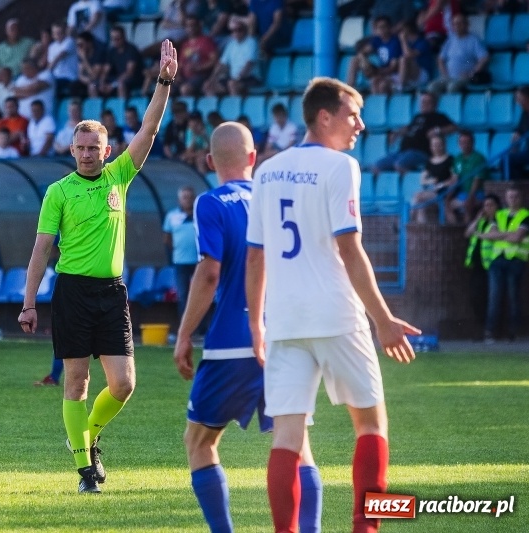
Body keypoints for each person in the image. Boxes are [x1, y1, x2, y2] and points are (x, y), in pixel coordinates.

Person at [245, 77, 419, 533]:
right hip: (337, 315)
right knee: (371, 425)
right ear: (325, 116)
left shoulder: (265, 171)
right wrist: (383, 321)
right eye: (352, 113)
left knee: (287, 436)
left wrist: (257, 325)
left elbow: (255, 255)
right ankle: (365, 528)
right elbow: (350, 248)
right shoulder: (341, 166)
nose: (360, 123)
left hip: (284, 320)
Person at [18, 39, 178, 494]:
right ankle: (86, 469)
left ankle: (88, 437)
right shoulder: (58, 192)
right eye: (81, 147)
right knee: (75, 380)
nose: (88, 154)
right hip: (71, 292)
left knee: (124, 384)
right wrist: (29, 303)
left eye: (95, 147)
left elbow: (147, 130)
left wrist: (163, 83)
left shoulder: (118, 178)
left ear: (107, 152)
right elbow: (41, 251)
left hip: (111, 292)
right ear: (72, 150)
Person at [173, 122, 322, 533]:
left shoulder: (211, 202)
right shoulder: (280, 200)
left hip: (233, 343)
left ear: (209, 162)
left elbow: (209, 273)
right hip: (288, 339)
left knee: (200, 442)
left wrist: (185, 333)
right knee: (297, 446)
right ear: (254, 158)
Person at [480, 186, 529, 344]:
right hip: (497, 260)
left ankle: (514, 333)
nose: (513, 199)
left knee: (514, 296)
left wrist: (500, 235)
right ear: (506, 199)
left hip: (516, 260)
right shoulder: (499, 214)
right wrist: (509, 234)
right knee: (494, 297)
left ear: (520, 198)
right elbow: (490, 235)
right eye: (510, 197)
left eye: (515, 196)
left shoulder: (525, 215)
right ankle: (491, 332)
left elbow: (517, 238)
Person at [373, 91, 456, 175]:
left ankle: (414, 181)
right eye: (423, 102)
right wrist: (396, 133)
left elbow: (454, 127)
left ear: (434, 104)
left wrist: (437, 130)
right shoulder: (417, 116)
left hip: (421, 152)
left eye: (427, 102)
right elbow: (408, 128)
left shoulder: (439, 116)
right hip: (403, 152)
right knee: (377, 166)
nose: (424, 104)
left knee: (400, 164)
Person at [464, 194, 501, 337]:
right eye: (485, 205)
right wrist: (478, 218)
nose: (488, 208)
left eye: (491, 205)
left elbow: (493, 234)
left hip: (490, 266)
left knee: (488, 298)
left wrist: (479, 234)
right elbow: (467, 233)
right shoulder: (481, 222)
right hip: (477, 266)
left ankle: (489, 330)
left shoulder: (497, 221)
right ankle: (480, 326)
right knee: (475, 297)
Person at [427, 14, 490, 94]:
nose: (457, 26)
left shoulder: (474, 40)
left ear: (467, 25)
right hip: (448, 77)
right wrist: (444, 73)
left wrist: (472, 73)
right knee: (432, 87)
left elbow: (484, 58)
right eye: (455, 24)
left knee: (452, 87)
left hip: (464, 77)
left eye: (460, 23)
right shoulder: (450, 39)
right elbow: (440, 59)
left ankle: (451, 106)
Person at [163, 186, 198, 324]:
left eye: (190, 197)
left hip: (199, 261)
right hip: (180, 262)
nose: (188, 200)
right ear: (179, 200)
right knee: (183, 295)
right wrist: (178, 250)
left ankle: (200, 329)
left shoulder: (200, 214)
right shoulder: (172, 216)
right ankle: (185, 328)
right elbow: (167, 238)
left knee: (199, 295)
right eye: (185, 197)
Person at [345, 16, 402, 95]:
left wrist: (378, 72)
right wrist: (364, 61)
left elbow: (393, 67)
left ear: (389, 27)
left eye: (383, 27)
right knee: (355, 60)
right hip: (379, 70)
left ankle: (378, 104)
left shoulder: (395, 42)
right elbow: (363, 52)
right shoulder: (377, 40)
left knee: (378, 84)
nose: (381, 30)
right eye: (379, 28)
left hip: (392, 74)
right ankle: (350, 88)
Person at [202, 19, 260, 97]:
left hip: (251, 78)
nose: (236, 33)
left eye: (239, 30)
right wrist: (212, 79)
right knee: (208, 86)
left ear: (245, 30)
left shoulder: (251, 42)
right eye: (233, 30)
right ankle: (214, 109)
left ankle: (235, 108)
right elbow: (222, 64)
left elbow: (249, 64)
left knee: (232, 84)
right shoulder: (231, 44)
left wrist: (238, 78)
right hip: (234, 79)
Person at [447, 129, 490, 224]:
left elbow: (477, 181)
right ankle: (457, 230)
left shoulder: (479, 158)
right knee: (446, 205)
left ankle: (467, 234)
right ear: (458, 144)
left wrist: (470, 197)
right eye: (462, 142)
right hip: (462, 194)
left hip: (478, 193)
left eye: (467, 142)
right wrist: (448, 196)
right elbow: (455, 179)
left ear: (473, 143)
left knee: (468, 205)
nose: (464, 145)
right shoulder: (457, 158)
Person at [411, 134, 455, 224]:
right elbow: (422, 180)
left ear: (443, 145)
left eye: (439, 144)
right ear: (431, 147)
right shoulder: (429, 162)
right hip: (434, 191)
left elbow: (453, 179)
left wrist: (441, 184)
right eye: (434, 145)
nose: (437, 147)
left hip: (445, 192)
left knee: (418, 196)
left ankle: (408, 219)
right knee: (420, 204)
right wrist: (431, 181)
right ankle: (422, 231)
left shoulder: (450, 159)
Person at [98, 26, 144, 99]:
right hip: (118, 78)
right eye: (113, 39)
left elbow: (129, 73)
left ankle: (121, 107)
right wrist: (102, 82)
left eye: (117, 39)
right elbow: (106, 70)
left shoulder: (131, 50)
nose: (115, 41)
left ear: (123, 37)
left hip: (134, 79)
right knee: (94, 85)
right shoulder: (112, 51)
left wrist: (112, 85)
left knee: (120, 84)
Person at [48, 20, 79, 98]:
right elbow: (50, 62)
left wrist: (47, 71)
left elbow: (60, 56)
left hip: (69, 77)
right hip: (56, 77)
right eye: (55, 33)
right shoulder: (51, 47)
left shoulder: (70, 41)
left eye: (60, 32)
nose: (58, 35)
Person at [507, 85, 529, 180]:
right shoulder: (524, 113)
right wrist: (514, 142)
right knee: (507, 160)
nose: (517, 102)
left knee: (510, 160)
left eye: (519, 98)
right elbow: (518, 132)